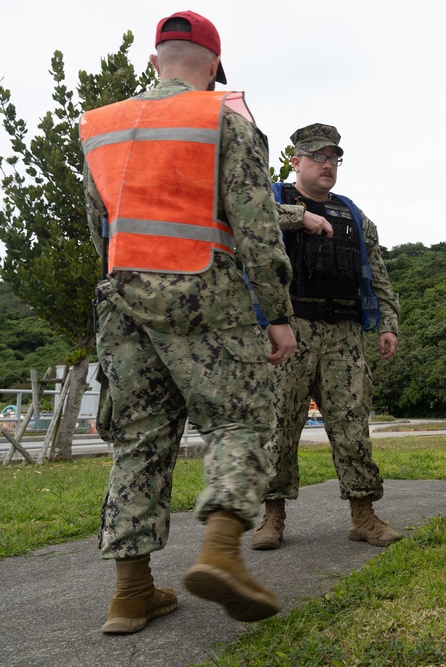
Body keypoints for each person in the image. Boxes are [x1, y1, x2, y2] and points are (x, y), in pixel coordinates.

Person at [79, 11, 296, 633]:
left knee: (139, 442)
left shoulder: (98, 128)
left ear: (155, 61)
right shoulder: (223, 118)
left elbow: (102, 225)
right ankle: (222, 551)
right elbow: (258, 228)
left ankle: (131, 594)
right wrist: (278, 316)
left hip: (122, 298)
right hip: (205, 293)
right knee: (240, 419)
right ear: (214, 69)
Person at [250, 123, 402, 550]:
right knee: (280, 426)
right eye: (317, 156)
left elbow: (380, 274)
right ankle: (272, 515)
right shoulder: (273, 199)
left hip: (344, 334)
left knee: (352, 425)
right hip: (289, 328)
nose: (327, 165)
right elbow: (243, 218)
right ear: (295, 161)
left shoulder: (353, 215)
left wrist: (388, 322)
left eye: (333, 157)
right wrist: (301, 217)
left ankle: (363, 515)